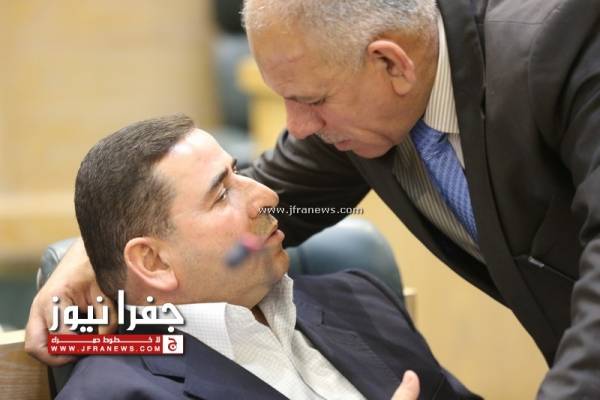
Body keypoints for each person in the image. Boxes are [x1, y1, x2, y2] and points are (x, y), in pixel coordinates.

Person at [25, 0, 600, 397]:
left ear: (390, 64)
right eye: (223, 190)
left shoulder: (566, 45)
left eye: (312, 100)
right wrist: (93, 255)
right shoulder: (125, 384)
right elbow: (251, 211)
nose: (299, 127)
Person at [54, 114, 477, 399]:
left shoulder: (360, 297)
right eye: (222, 194)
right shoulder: (116, 392)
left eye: (239, 172)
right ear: (154, 262)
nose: (267, 197)